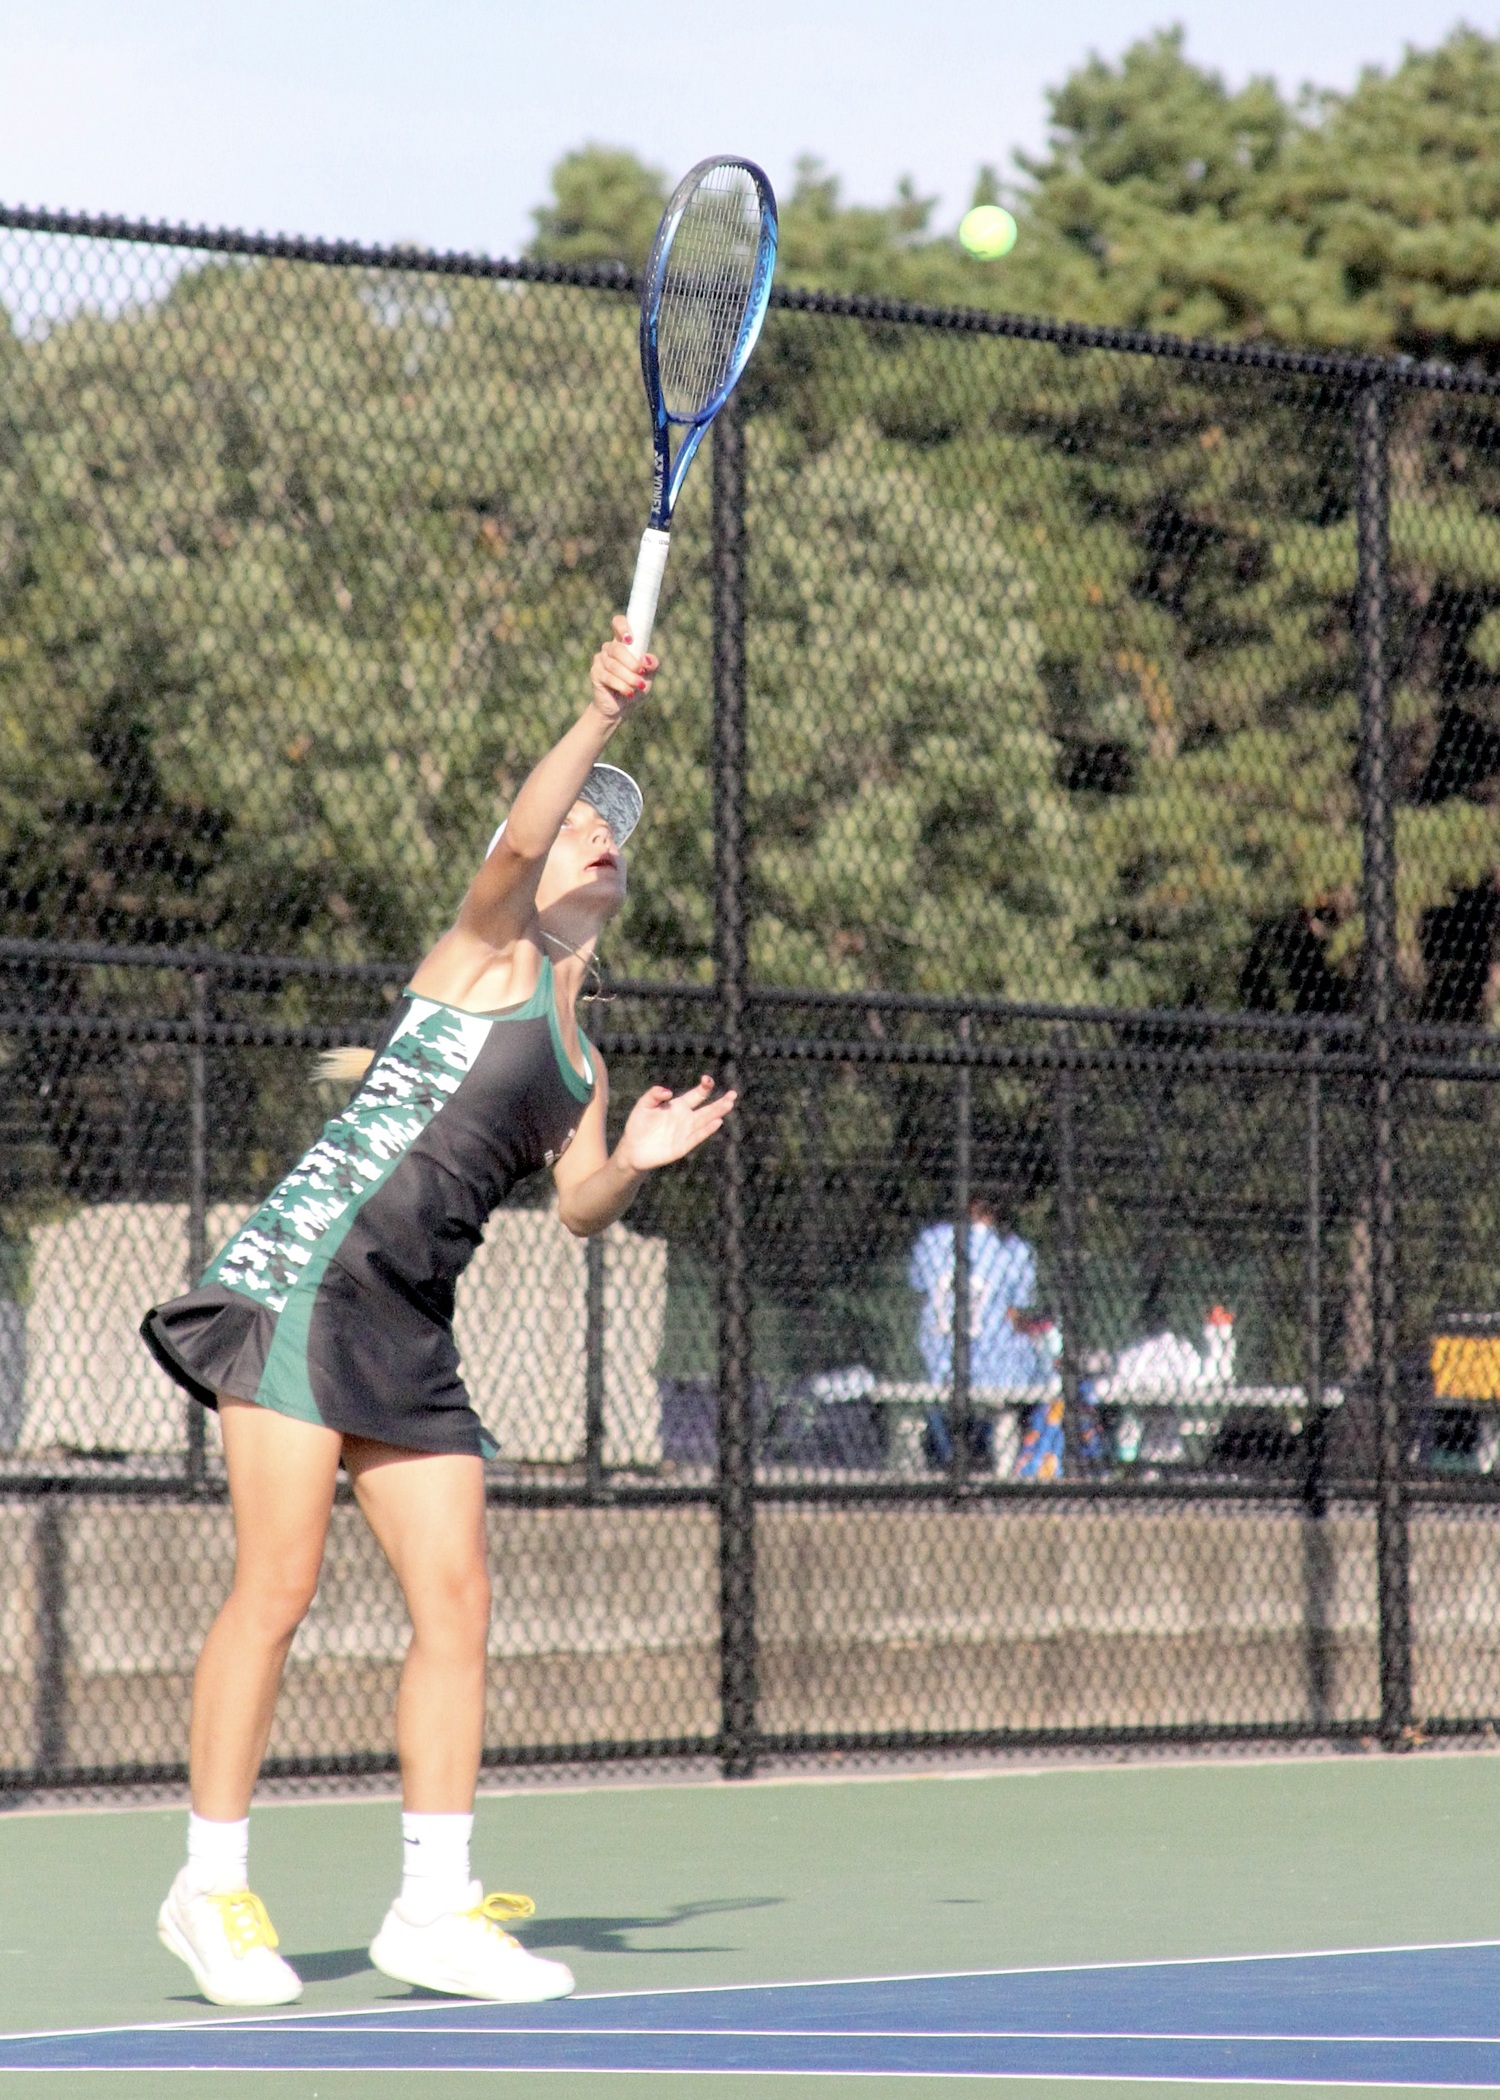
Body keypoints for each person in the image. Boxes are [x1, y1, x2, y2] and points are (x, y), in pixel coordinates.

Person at [140, 617, 734, 2009]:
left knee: (457, 1603)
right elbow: (521, 841)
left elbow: (575, 1204)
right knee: (276, 1587)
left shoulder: (580, 1057)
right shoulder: (485, 952)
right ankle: (209, 1888)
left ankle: (431, 1908)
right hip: (303, 1284)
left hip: (407, 1327)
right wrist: (596, 717)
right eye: (580, 820)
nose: (595, 834)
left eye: (611, 828)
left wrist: (630, 1165)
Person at [907, 1199, 1046, 1466]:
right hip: (996, 1369)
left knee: (932, 1394)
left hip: (936, 1364)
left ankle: (948, 1460)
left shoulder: (932, 1241)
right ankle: (1004, 1469)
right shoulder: (1012, 1249)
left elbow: (921, 1300)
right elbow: (1016, 1315)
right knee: (1028, 1365)